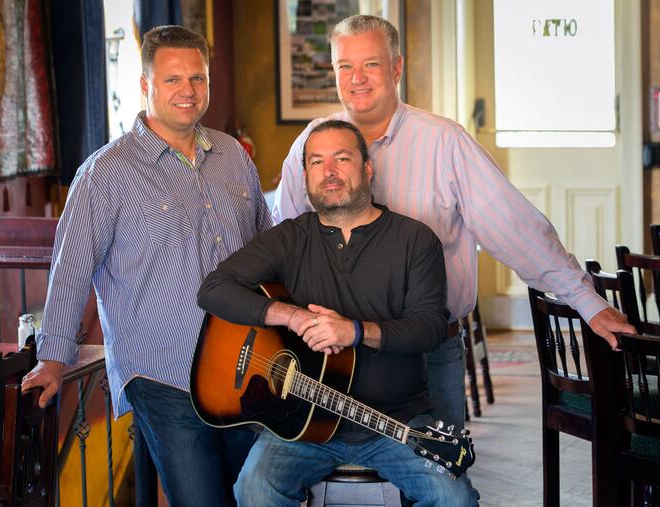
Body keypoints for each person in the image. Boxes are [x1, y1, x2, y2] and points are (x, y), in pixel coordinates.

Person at [272, 15, 635, 434]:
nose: (357, 78)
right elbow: (285, 243)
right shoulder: (310, 145)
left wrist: (587, 302)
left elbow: (515, 229)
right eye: (344, 66)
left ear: (396, 68)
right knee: (319, 456)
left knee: (440, 465)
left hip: (428, 351)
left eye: (370, 64)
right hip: (332, 354)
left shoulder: (444, 143)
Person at [21, 26, 271, 506]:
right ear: (145, 85)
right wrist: (53, 359)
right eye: (172, 79)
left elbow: (266, 248)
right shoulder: (106, 172)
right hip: (164, 373)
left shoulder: (233, 158)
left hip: (244, 367)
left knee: (252, 496)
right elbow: (71, 269)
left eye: (197, 78)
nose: (188, 90)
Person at [198, 120, 480, 506]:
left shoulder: (415, 239)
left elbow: (430, 328)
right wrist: (291, 316)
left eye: (342, 158)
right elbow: (213, 289)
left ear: (368, 168)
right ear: (305, 177)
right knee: (254, 488)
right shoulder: (289, 238)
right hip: (302, 427)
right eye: (316, 162)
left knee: (454, 499)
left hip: (395, 423)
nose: (328, 171)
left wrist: (356, 332)